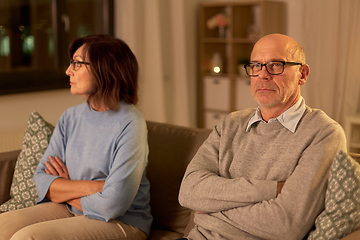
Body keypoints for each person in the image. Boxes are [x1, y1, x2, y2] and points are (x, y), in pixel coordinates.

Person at [178, 34, 347, 240]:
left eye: (276, 65)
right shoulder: (231, 124)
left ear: (302, 74)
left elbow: (286, 225)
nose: (263, 75)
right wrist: (271, 189)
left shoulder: (324, 133)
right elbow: (188, 192)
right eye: (256, 65)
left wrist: (212, 210)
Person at [0, 34, 152, 240]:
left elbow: (112, 205)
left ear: (104, 69)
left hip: (124, 221)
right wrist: (96, 187)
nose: (68, 71)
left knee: (27, 238)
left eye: (77, 64)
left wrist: (66, 187)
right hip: (73, 209)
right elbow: (42, 181)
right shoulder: (70, 117)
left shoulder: (130, 123)